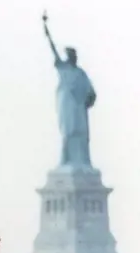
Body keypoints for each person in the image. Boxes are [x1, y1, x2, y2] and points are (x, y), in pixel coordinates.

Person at [43, 13, 96, 167]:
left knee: (81, 134)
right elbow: (53, 50)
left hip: (79, 107)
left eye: (74, 55)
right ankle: (66, 160)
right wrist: (47, 33)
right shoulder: (63, 69)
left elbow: (91, 92)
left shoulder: (80, 73)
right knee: (68, 133)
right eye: (70, 55)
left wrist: (90, 99)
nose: (73, 57)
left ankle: (83, 162)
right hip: (67, 106)